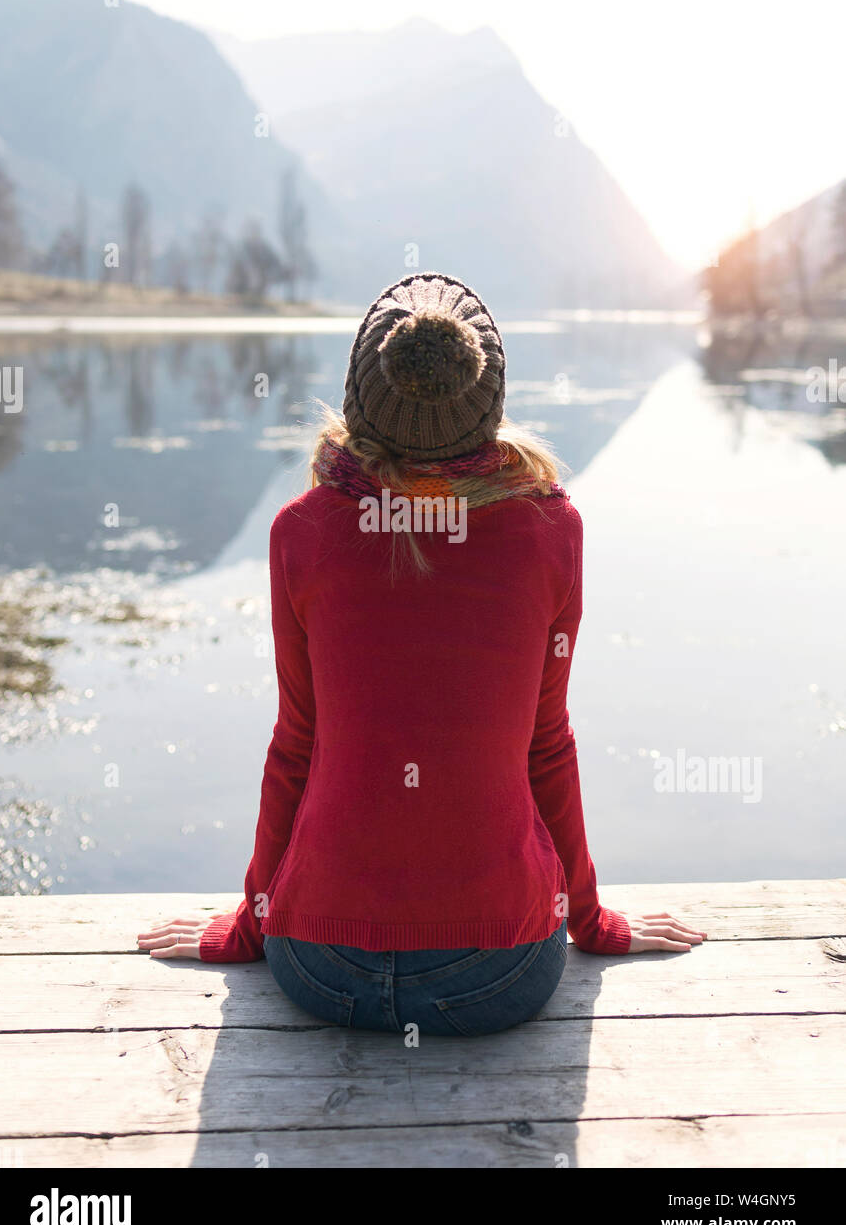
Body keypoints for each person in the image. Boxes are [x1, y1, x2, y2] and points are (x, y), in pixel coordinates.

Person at [138, 272, 705, 1035]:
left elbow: (295, 747)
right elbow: (547, 744)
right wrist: (589, 918)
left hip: (316, 962)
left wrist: (253, 923)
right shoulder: (552, 531)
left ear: (360, 395)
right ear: (487, 404)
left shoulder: (301, 531)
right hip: (497, 973)